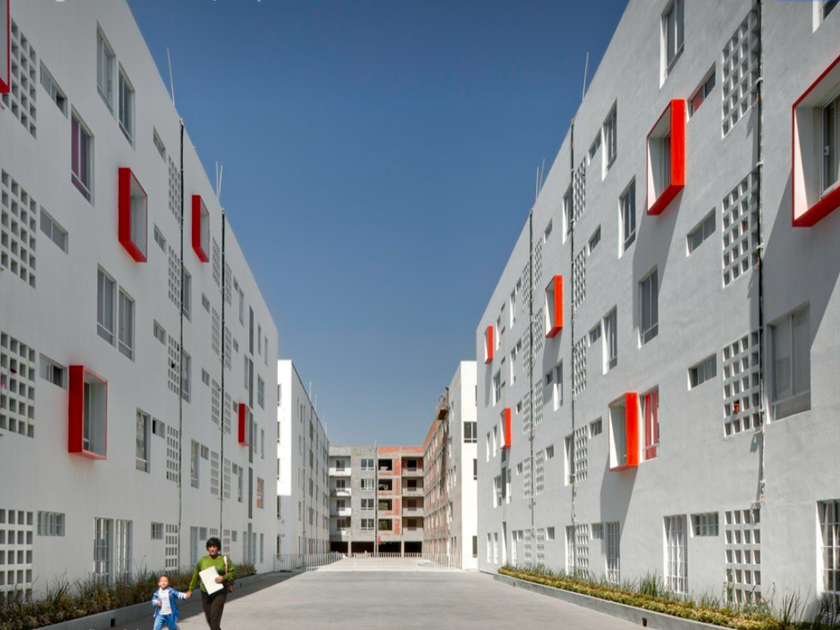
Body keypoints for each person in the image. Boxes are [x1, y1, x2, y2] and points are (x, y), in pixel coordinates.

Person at [188, 537, 236, 630]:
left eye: (214, 546)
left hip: (219, 592)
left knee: (214, 618)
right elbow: (195, 575)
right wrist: (190, 589)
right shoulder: (202, 560)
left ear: (218, 548)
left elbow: (233, 572)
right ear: (207, 548)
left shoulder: (224, 559)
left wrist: (223, 577)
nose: (212, 549)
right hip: (205, 592)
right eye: (210, 547)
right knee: (210, 619)